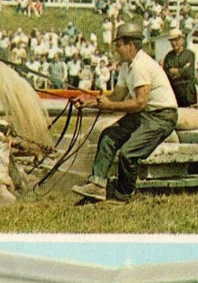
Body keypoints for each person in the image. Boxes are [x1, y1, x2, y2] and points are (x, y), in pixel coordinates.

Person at [72, 21, 179, 202]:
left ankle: (124, 194)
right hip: (146, 114)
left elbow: (139, 103)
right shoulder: (126, 67)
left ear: (131, 45)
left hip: (162, 116)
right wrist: (87, 102)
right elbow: (116, 97)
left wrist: (108, 106)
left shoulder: (141, 65)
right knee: (108, 136)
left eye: (119, 45)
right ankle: (97, 184)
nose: (116, 49)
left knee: (129, 153)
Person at [161, 28, 198, 107]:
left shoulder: (189, 54)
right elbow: (167, 74)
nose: (174, 43)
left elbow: (189, 73)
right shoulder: (169, 56)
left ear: (182, 40)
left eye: (176, 40)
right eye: (171, 41)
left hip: (188, 93)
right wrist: (182, 71)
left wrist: (176, 71)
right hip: (175, 93)